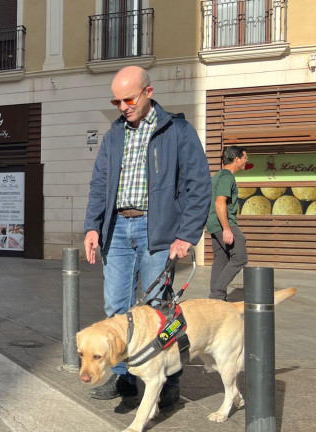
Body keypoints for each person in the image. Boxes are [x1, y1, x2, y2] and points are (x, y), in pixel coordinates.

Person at [83, 66, 212, 407]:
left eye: (128, 98)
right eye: (116, 100)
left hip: (158, 230)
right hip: (117, 229)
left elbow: (200, 186)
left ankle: (168, 379)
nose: (122, 106)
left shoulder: (178, 131)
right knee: (116, 309)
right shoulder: (114, 135)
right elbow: (99, 186)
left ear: (148, 92)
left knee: (159, 311)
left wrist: (187, 234)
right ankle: (126, 377)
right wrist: (93, 226)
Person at [206, 146, 249, 301]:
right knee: (240, 257)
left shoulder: (218, 176)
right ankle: (217, 292)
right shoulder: (227, 177)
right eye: (245, 158)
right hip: (222, 224)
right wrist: (227, 229)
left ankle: (215, 300)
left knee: (222, 259)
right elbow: (220, 202)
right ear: (237, 159)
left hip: (213, 224)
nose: (246, 161)